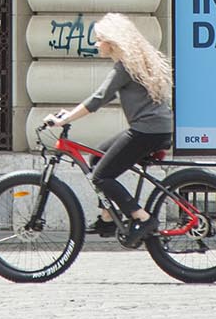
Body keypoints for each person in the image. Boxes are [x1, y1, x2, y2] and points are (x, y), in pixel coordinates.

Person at [46, 13, 175, 246]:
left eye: (99, 39)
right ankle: (107, 218)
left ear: (112, 41)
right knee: (97, 157)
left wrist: (64, 119)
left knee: (101, 176)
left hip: (147, 131)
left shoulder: (124, 67)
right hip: (154, 129)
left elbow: (98, 99)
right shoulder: (134, 63)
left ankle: (141, 218)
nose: (96, 44)